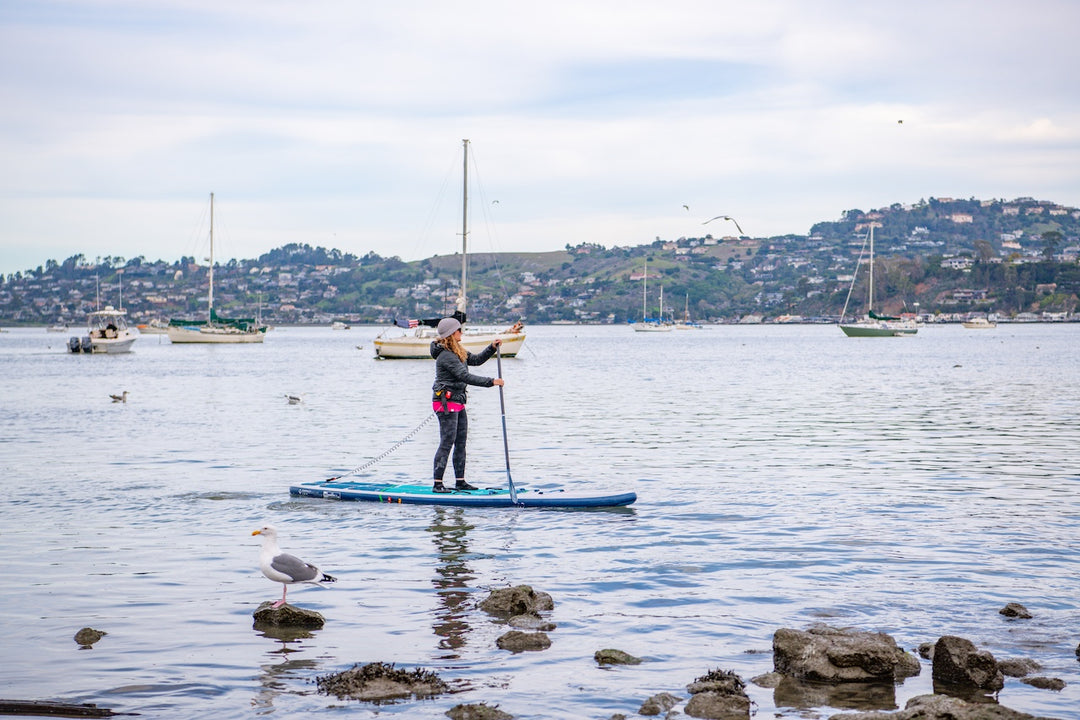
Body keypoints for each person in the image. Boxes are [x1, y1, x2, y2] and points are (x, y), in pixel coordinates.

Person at [429, 317, 522, 493]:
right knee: (447, 442)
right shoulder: (446, 356)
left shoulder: (457, 350)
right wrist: (492, 382)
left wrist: (491, 348)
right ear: (451, 334)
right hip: (445, 403)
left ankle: (460, 481)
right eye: (459, 330)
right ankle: (438, 483)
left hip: (458, 401)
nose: (461, 333)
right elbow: (465, 377)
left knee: (461, 442)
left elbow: (477, 360)